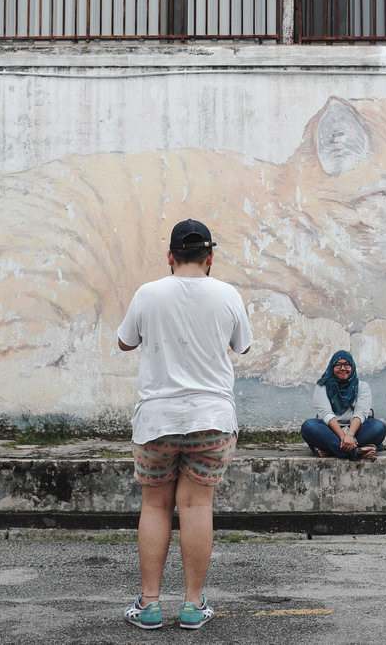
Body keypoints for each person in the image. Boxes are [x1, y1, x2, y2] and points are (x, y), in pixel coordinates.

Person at [117, 218, 253, 631]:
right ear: (210, 258)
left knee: (155, 506)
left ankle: (150, 604)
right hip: (211, 418)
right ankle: (193, 605)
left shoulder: (148, 293)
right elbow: (243, 346)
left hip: (156, 420)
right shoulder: (227, 295)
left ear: (170, 257)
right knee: (196, 506)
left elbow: (125, 341)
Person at [300, 350, 386, 460]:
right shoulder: (322, 386)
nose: (343, 368)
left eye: (347, 364)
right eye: (338, 365)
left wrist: (349, 435)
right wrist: (343, 436)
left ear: (352, 367)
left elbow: (360, 413)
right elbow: (326, 414)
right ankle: (355, 452)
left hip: (355, 431)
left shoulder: (362, 386)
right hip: (329, 431)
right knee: (309, 426)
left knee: (378, 426)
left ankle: (331, 450)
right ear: (332, 367)